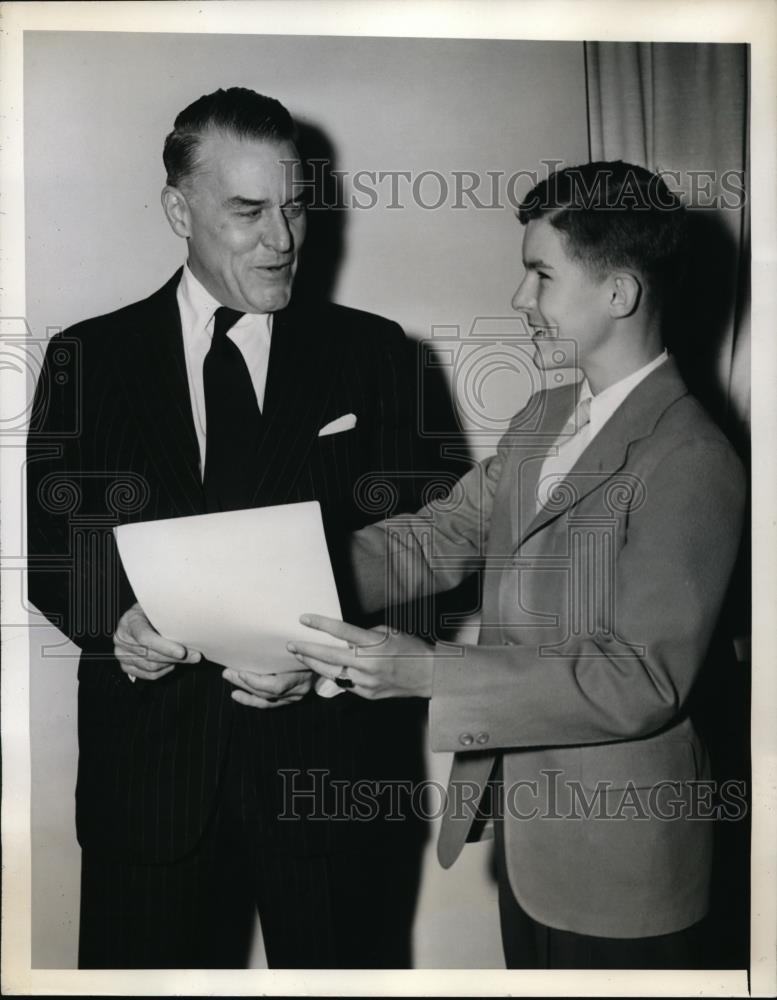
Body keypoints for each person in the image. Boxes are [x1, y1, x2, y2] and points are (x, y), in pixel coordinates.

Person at [290, 161, 747, 969]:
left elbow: (637, 679)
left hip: (625, 871)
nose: (519, 300)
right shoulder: (544, 416)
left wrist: (429, 671)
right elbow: (437, 537)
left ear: (619, 293)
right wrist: (281, 574)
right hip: (531, 849)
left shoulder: (693, 458)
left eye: (539, 274)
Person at [26, 87, 434, 969]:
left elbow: (435, 554)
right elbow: (56, 549)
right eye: (248, 211)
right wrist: (116, 622)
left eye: (294, 207)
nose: (282, 239)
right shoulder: (87, 359)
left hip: (328, 786)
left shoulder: (376, 357)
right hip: (151, 789)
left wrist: (328, 669)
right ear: (179, 208)